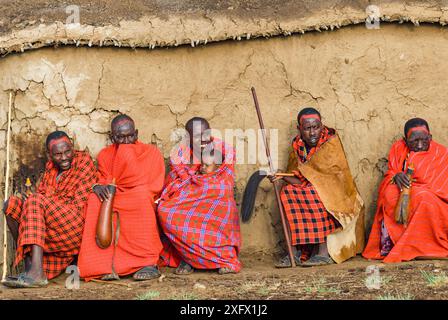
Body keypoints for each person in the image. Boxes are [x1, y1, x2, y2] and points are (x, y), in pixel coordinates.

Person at [264, 107, 364, 267]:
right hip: (309, 188)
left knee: (315, 193)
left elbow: (331, 179)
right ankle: (293, 252)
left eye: (316, 127)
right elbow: (298, 177)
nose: (312, 133)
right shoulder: (297, 146)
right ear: (299, 129)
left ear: (321, 125)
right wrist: (281, 176)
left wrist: (307, 181)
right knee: (288, 192)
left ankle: (323, 252)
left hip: (336, 193)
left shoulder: (331, 143)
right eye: (307, 128)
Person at [2, 131, 97, 288]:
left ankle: (37, 274)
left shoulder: (83, 161)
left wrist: (40, 201)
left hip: (74, 225)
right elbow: (41, 197)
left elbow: (79, 205)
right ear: (49, 154)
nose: (65, 157)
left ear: (72, 146)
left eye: (67, 151)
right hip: (51, 225)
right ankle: (31, 265)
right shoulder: (50, 169)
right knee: (11, 204)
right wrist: (33, 202)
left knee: (35, 200)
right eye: (58, 154)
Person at [77, 114, 165, 281]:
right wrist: (98, 187)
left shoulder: (151, 152)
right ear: (112, 137)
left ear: (136, 134)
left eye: (130, 136)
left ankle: (146, 263)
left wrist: (128, 158)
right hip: (116, 193)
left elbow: (153, 185)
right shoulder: (105, 155)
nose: (126, 141)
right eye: (120, 137)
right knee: (95, 201)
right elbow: (104, 178)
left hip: (139, 194)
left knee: (141, 198)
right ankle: (104, 266)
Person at [158, 117, 241, 275]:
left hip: (217, 195)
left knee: (223, 197)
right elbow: (178, 182)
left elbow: (225, 178)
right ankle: (188, 257)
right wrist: (196, 177)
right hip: (190, 196)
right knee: (165, 211)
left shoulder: (224, 149)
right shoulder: (180, 153)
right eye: (196, 136)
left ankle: (225, 258)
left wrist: (205, 182)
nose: (202, 140)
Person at [363, 118, 448, 262]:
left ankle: (423, 247)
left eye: (424, 140)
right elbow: (390, 173)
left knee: (425, 198)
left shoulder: (442, 153)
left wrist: (421, 189)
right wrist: (396, 176)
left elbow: (443, 185)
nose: (420, 145)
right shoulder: (398, 148)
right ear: (405, 140)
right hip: (406, 191)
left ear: (430, 137)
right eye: (414, 141)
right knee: (389, 193)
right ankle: (395, 244)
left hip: (437, 198)